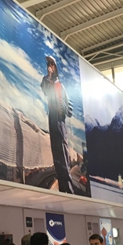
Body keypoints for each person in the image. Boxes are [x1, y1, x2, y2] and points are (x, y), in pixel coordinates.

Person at [40, 55, 74, 194]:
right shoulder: (47, 81)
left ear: (55, 67)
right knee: (56, 153)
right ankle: (62, 188)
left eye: (52, 64)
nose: (49, 66)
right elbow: (45, 90)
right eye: (48, 64)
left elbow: (70, 110)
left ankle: (69, 190)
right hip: (52, 119)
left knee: (63, 153)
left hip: (60, 121)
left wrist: (63, 108)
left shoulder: (62, 87)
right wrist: (48, 76)